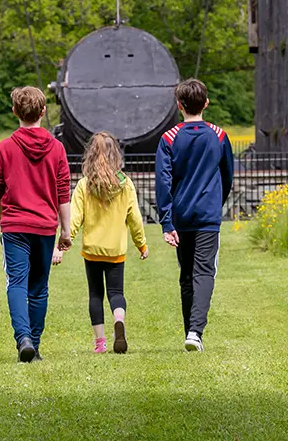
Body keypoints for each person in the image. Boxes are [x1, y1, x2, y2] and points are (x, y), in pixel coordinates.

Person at [0, 86, 72, 363]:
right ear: (43, 111)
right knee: (39, 287)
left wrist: (3, 219)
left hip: (14, 225)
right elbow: (63, 193)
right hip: (45, 227)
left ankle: (23, 338)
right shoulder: (57, 149)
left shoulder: (3, 149)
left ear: (15, 112)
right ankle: (34, 346)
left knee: (16, 283)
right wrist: (67, 230)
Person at [154, 78, 234, 352]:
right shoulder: (219, 136)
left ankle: (191, 330)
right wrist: (216, 203)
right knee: (204, 272)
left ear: (179, 106)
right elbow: (227, 176)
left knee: (186, 275)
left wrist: (166, 221)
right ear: (206, 103)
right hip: (208, 216)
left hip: (181, 216)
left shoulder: (168, 139)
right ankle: (195, 331)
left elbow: (163, 182)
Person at [52, 132, 148, 354]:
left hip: (92, 250)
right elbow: (135, 218)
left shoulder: (84, 186)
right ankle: (119, 320)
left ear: (91, 156)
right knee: (116, 292)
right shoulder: (126, 185)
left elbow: (73, 220)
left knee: (95, 294)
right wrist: (141, 245)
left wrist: (62, 245)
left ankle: (100, 343)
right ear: (117, 155)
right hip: (116, 250)